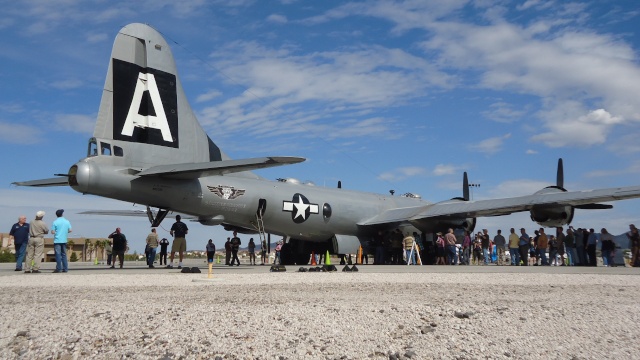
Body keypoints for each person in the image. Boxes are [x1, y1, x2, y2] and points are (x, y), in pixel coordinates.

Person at [51, 209, 72, 273]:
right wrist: (65, 231)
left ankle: (58, 268)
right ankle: (65, 268)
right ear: (62, 214)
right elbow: (70, 230)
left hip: (57, 240)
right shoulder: (67, 221)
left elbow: (52, 231)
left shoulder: (55, 222)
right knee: (64, 255)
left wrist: (56, 232)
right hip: (64, 240)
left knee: (58, 254)